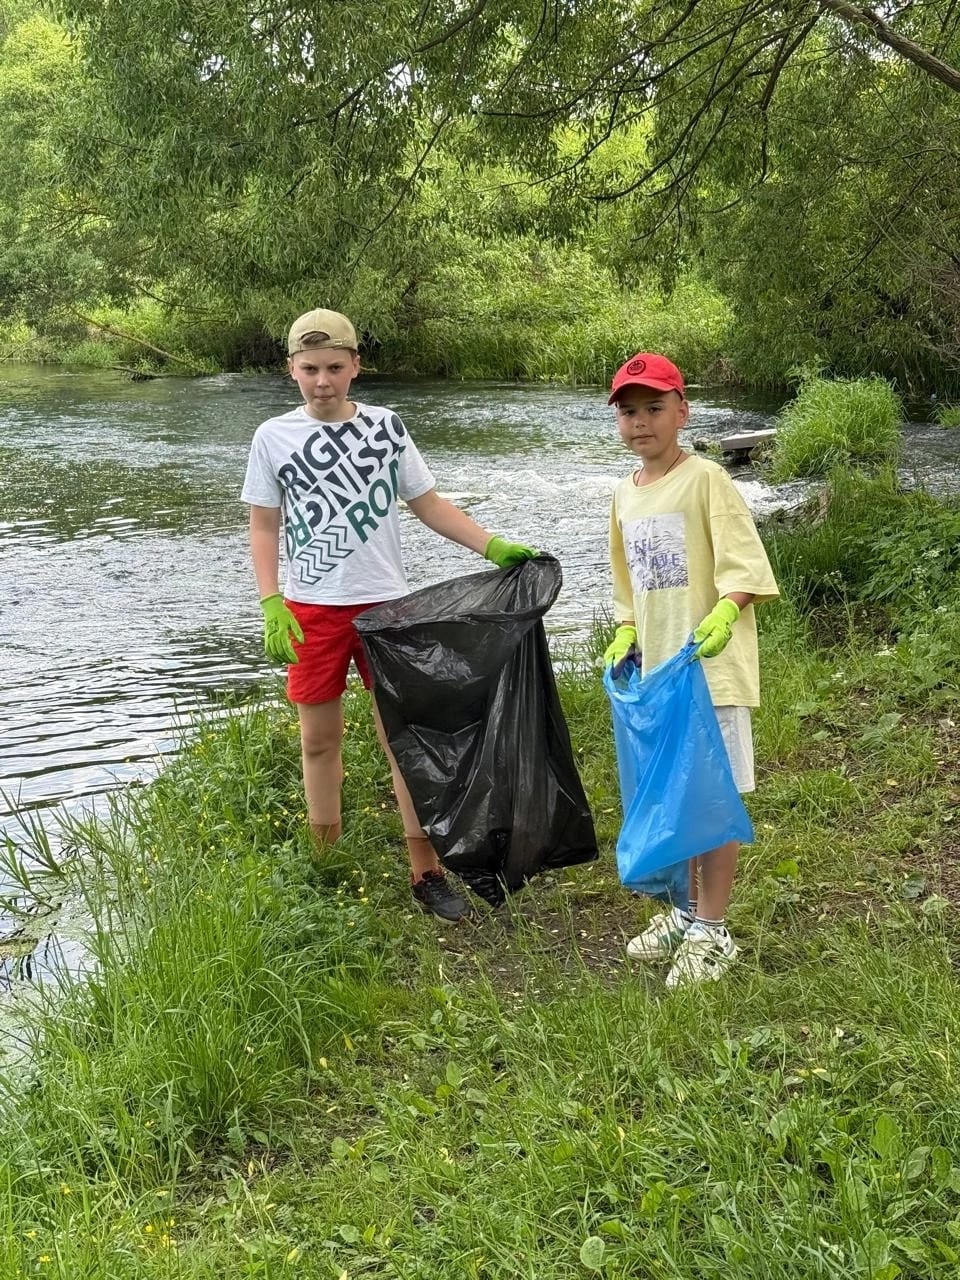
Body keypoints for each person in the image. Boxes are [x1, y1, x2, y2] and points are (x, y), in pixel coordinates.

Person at [242, 308, 536, 922]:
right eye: (309, 369)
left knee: (405, 742)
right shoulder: (273, 437)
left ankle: (425, 872)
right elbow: (264, 523)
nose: (322, 381)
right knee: (318, 740)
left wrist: (492, 545)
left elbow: (427, 504)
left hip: (388, 610)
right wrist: (271, 599)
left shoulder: (386, 428)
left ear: (355, 366)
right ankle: (324, 862)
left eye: (334, 368)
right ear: (291, 369)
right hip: (311, 610)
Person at [603, 352, 779, 987]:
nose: (641, 422)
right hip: (659, 676)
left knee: (710, 796)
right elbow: (629, 583)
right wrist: (627, 630)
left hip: (709, 668)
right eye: (629, 411)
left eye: (655, 408)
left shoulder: (706, 479)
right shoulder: (625, 492)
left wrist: (726, 611)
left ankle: (712, 926)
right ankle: (679, 912)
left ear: (683, 411)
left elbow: (744, 565)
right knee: (671, 793)